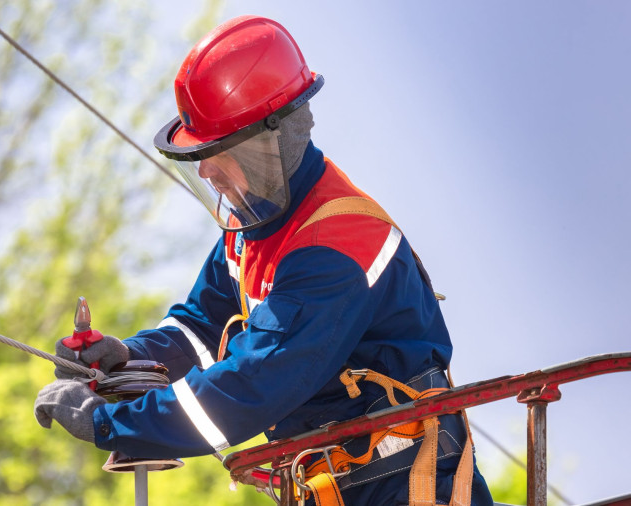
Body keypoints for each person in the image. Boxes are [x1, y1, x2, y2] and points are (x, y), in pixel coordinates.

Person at [34, 15, 494, 506]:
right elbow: (204, 330)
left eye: (219, 151)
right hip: (333, 485)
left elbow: (251, 387)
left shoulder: (337, 246)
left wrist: (108, 423)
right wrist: (129, 356)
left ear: (274, 139)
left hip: (405, 489)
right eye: (200, 156)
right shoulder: (256, 226)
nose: (207, 171)